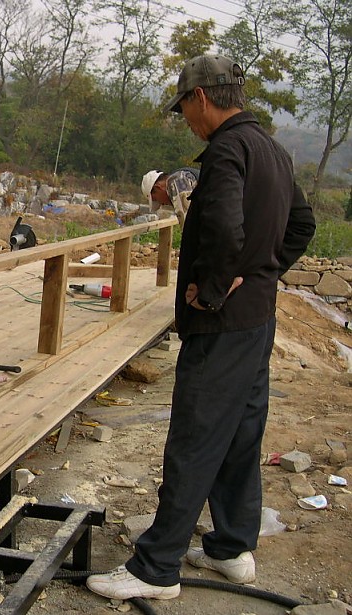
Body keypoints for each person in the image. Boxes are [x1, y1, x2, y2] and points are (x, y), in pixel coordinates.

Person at [86, 55, 316, 601]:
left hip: (222, 326)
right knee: (239, 434)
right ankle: (231, 548)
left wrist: (212, 290)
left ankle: (155, 567)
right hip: (257, 319)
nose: (186, 119)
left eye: (184, 107)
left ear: (201, 98)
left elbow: (223, 226)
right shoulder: (273, 150)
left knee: (195, 437)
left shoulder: (227, 151)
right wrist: (260, 274)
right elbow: (303, 224)